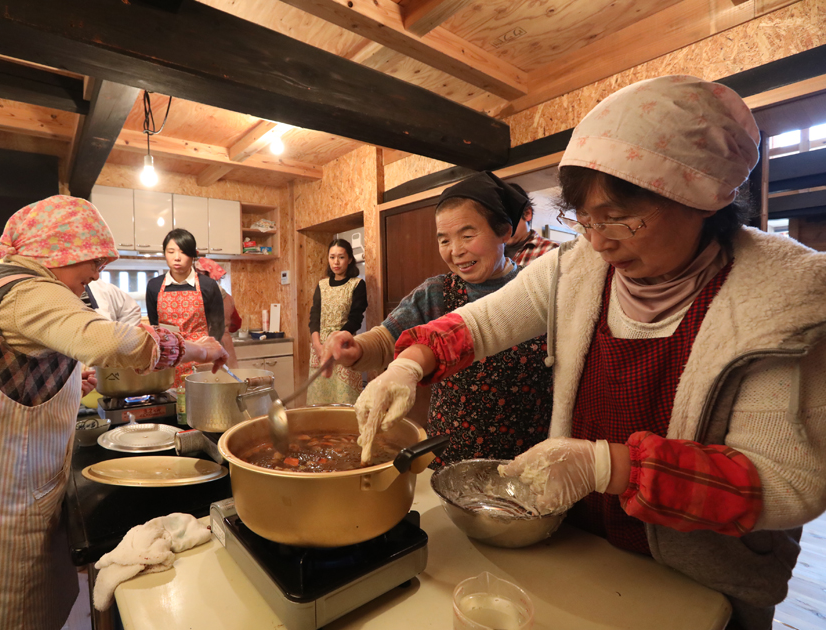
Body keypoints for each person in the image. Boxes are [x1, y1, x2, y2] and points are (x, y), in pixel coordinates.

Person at [355, 75, 826, 630]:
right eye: (586, 218)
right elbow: (480, 321)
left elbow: (787, 483)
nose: (600, 240)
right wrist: (409, 365)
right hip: (582, 545)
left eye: (622, 217)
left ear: (704, 196)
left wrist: (608, 465)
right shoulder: (577, 268)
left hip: (702, 581)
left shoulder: (779, 297)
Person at [0, 195, 227, 630]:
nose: (97, 272)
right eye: (94, 259)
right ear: (62, 250)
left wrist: (67, 380)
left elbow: (5, 371)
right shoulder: (27, 288)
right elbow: (111, 342)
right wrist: (196, 347)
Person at [321, 174, 556, 466]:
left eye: (467, 236)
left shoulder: (536, 290)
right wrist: (355, 348)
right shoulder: (437, 292)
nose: (455, 251)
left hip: (528, 456)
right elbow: (385, 338)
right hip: (451, 454)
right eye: (444, 240)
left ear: (504, 232)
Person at [146, 228, 225, 388]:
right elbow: (155, 325)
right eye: (171, 251)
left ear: (193, 255)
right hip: (170, 356)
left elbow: (218, 325)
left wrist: (210, 351)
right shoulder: (154, 286)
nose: (176, 258)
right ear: (164, 254)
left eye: (183, 252)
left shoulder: (208, 285)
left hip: (200, 356)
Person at [307, 238, 367, 405]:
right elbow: (315, 316)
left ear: (349, 259)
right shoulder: (322, 285)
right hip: (319, 348)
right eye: (332, 257)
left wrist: (338, 341)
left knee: (345, 401)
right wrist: (317, 345)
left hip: (344, 346)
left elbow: (356, 318)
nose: (336, 262)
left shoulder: (357, 285)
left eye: (341, 257)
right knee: (319, 402)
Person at [196, 257, 241, 367]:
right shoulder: (228, 297)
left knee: (205, 379)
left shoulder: (196, 297)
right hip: (225, 345)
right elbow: (236, 324)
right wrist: (224, 330)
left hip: (203, 346)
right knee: (228, 380)